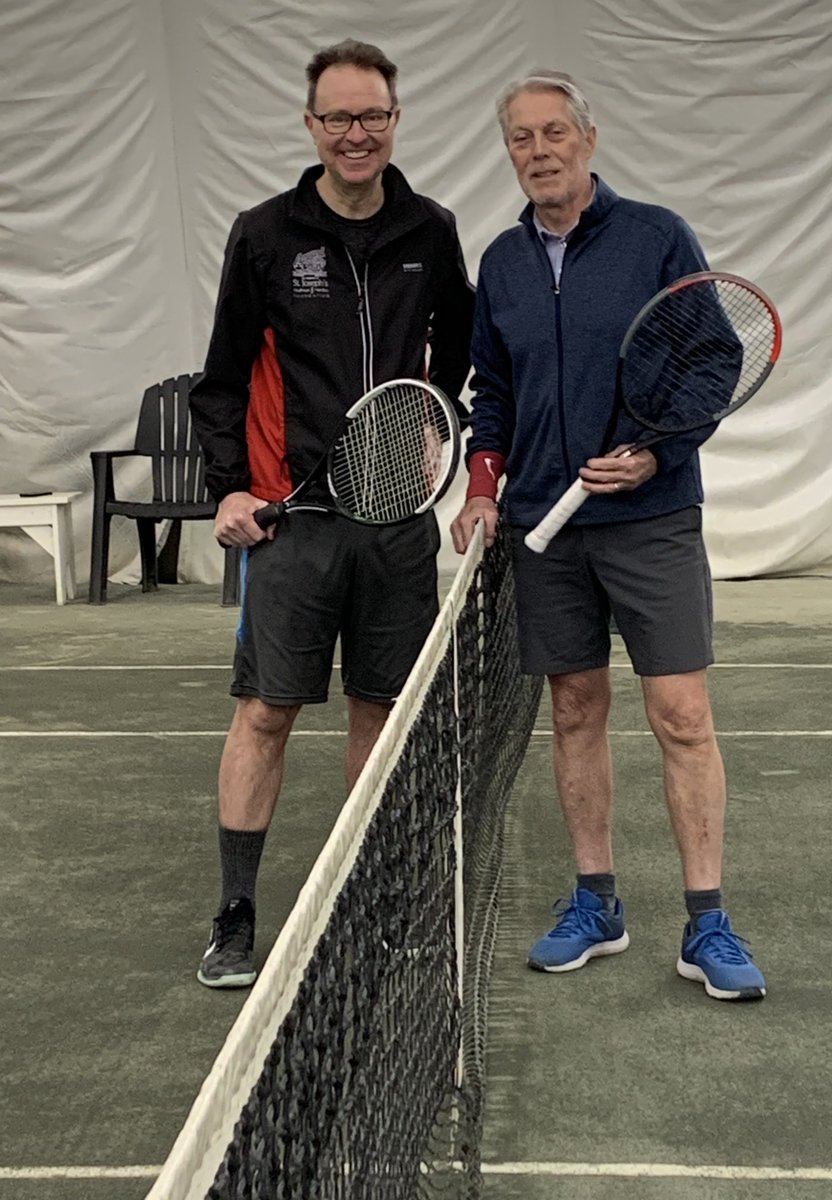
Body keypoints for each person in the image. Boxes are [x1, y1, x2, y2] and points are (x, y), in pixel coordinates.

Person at [450, 71, 766, 1002]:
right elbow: (493, 394)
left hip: (652, 519)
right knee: (576, 710)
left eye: (554, 132)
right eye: (520, 138)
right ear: (508, 151)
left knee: (681, 717)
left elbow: (716, 356)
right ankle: (598, 903)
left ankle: (707, 921)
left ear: (589, 139)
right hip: (545, 531)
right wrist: (482, 487)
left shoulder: (656, 237)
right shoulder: (501, 264)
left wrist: (659, 454)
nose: (538, 150)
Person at [190, 38, 474, 988]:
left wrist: (434, 429)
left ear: (396, 121)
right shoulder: (265, 235)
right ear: (311, 126)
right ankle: (234, 917)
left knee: (380, 716)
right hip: (292, 522)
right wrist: (230, 485)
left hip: (394, 525)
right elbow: (222, 379)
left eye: (374, 116)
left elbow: (459, 352)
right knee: (265, 713)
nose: (358, 133)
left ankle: (367, 903)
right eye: (339, 117)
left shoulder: (431, 232)